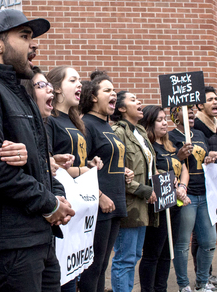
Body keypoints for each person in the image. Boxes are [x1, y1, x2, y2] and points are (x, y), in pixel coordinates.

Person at [0, 9, 75, 292]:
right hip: (7, 246)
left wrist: (55, 193)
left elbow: (34, 163)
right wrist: (49, 204)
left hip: (39, 239)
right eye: (24, 36)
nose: (32, 45)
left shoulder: (21, 95)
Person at [45, 65, 102, 292]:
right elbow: (50, 165)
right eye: (73, 80)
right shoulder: (50, 121)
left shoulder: (75, 121)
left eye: (80, 80)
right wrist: (82, 172)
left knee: (77, 272)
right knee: (64, 276)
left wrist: (89, 165)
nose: (80, 84)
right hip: (63, 205)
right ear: (57, 88)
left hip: (81, 209)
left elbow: (75, 161)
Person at [77, 70, 128, 292]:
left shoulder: (107, 125)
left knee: (102, 264)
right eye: (107, 90)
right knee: (92, 267)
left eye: (114, 89)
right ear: (94, 97)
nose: (113, 93)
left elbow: (105, 159)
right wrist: (99, 196)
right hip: (99, 203)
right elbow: (81, 166)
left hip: (115, 201)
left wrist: (122, 170)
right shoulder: (86, 124)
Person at [109, 91, 157, 292]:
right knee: (124, 259)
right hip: (128, 205)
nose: (139, 102)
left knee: (135, 256)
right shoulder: (118, 132)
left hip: (142, 206)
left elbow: (148, 167)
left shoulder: (140, 131)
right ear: (121, 108)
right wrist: (145, 190)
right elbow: (117, 173)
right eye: (133, 100)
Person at [139, 105, 189, 292]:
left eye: (165, 119)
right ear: (149, 123)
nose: (164, 123)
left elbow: (183, 167)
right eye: (159, 120)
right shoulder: (148, 148)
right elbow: (151, 173)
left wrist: (182, 187)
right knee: (153, 253)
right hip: (157, 208)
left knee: (168, 253)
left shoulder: (171, 145)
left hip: (174, 207)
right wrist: (171, 185)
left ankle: (161, 288)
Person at [169, 105, 217, 292]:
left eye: (192, 110)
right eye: (185, 110)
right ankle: (184, 285)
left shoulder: (199, 134)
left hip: (205, 195)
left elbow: (202, 159)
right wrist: (179, 156)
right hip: (186, 197)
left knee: (209, 241)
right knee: (182, 244)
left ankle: (202, 281)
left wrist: (209, 158)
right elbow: (171, 164)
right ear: (175, 115)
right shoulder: (171, 137)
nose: (190, 112)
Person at [191, 86, 217, 288]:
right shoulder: (197, 127)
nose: (215, 102)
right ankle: (203, 277)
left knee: (212, 232)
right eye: (210, 99)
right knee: (202, 235)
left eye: (216, 98)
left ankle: (208, 274)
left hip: (216, 187)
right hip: (201, 189)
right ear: (199, 104)